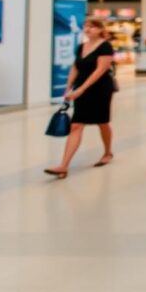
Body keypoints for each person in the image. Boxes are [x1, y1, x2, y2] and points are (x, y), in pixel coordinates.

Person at [44, 19, 116, 179]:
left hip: (100, 89)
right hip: (81, 90)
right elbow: (75, 67)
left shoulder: (105, 46)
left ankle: (108, 152)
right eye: (86, 26)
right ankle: (64, 166)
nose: (88, 29)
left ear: (100, 30)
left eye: (92, 26)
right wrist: (68, 87)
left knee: (102, 122)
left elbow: (100, 70)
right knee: (76, 125)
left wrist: (82, 89)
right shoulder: (81, 46)